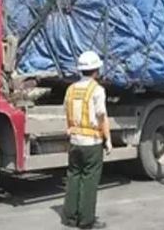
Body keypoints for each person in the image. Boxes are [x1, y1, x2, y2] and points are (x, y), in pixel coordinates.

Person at [62, 51, 112, 229]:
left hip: (75, 141)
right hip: (91, 142)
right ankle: (86, 220)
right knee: (89, 180)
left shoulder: (71, 89)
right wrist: (108, 139)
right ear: (96, 70)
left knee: (73, 176)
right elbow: (102, 116)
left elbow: (66, 112)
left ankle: (70, 217)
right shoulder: (97, 90)